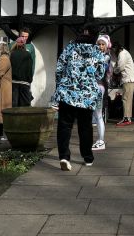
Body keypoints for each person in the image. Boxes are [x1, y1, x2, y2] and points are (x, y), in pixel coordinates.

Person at [53, 27, 107, 171]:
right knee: (85, 127)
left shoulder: (69, 48)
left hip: (67, 93)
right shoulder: (97, 52)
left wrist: (60, 86)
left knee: (64, 126)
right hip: (87, 96)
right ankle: (87, 157)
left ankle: (64, 156)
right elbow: (100, 74)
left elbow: (59, 69)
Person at [111, 41, 134, 126]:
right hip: (128, 79)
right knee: (127, 99)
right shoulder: (124, 53)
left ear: (116, 48)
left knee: (126, 99)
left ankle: (126, 118)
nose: (113, 51)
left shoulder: (122, 54)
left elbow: (120, 67)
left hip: (128, 79)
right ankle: (127, 118)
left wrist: (114, 71)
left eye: (113, 49)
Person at [92, 35, 112, 150]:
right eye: (98, 44)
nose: (100, 46)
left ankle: (101, 140)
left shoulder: (106, 57)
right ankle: (98, 140)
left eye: (102, 44)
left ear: (107, 45)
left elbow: (98, 70)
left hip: (99, 88)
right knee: (95, 115)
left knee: (99, 115)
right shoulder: (96, 55)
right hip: (92, 88)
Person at [10, 36, 34, 107]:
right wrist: (29, 80)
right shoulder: (28, 55)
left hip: (14, 82)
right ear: (24, 44)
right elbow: (30, 69)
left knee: (14, 104)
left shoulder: (12, 54)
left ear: (16, 44)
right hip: (25, 83)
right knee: (24, 105)